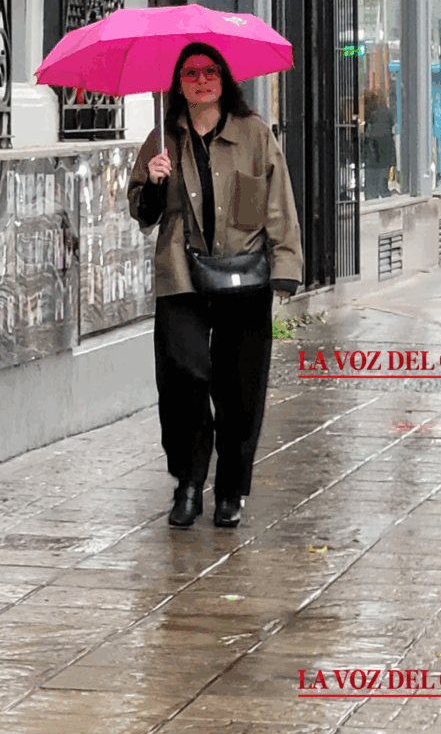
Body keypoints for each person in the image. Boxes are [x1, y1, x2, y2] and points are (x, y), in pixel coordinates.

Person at [127, 42, 303, 528]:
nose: (200, 81)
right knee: (183, 378)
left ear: (224, 79)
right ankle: (187, 482)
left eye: (209, 72)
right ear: (177, 82)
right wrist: (155, 182)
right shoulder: (163, 138)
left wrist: (285, 266)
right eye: (189, 74)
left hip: (243, 272)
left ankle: (231, 488)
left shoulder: (254, 135)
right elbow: (141, 212)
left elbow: (277, 205)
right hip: (181, 276)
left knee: (240, 386)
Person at [362, 88, 395, 200]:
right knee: (382, 177)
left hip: (373, 151)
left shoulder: (371, 112)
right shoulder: (387, 112)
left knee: (372, 179)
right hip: (385, 149)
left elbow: (368, 132)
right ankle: (384, 193)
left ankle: (372, 196)